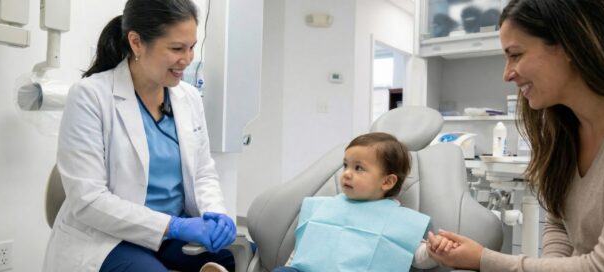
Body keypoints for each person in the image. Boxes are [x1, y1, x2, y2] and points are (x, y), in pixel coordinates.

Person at [42, 0, 236, 271]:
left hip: (168, 235)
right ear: (136, 43)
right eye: (176, 48)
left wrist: (215, 213)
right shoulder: (90, 96)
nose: (188, 59)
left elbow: (203, 171)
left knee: (233, 256)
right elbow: (88, 200)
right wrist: (175, 226)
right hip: (109, 236)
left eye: (191, 47)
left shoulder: (189, 98)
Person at [426, 0, 604, 271]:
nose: (507, 74)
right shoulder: (565, 133)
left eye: (515, 54)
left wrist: (482, 259)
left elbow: (601, 267)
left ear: (569, 45)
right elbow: (559, 223)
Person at [272, 132, 456, 272]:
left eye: (358, 168)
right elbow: (304, 248)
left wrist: (434, 251)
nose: (347, 173)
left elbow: (417, 258)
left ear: (387, 182)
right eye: (346, 165)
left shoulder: (400, 221)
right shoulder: (323, 208)